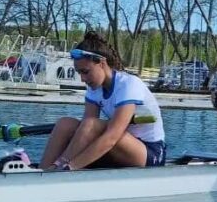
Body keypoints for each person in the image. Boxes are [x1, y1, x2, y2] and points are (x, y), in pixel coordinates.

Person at [39, 31, 166, 170]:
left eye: (85, 71)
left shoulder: (128, 84)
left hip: (149, 152)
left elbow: (111, 137)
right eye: (79, 72)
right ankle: (42, 171)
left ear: (102, 63)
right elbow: (84, 130)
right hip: (120, 145)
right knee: (65, 124)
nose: (82, 79)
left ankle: (59, 168)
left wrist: (70, 166)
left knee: (92, 125)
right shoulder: (94, 88)